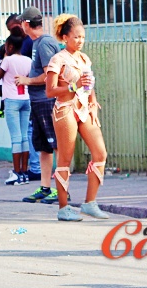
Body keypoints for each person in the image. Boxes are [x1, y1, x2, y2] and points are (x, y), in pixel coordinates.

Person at [45, 14, 110, 222]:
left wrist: (93, 102)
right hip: (65, 109)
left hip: (84, 109)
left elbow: (89, 84)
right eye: (76, 37)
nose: (80, 41)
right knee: (65, 159)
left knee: (100, 153)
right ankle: (63, 208)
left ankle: (90, 203)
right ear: (65, 37)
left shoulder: (84, 58)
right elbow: (50, 91)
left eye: (83, 37)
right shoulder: (58, 59)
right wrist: (74, 86)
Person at [18, 6, 62, 205]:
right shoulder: (37, 43)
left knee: (57, 145)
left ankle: (62, 189)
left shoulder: (44, 44)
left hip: (46, 100)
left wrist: (28, 81)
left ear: (26, 24)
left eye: (21, 23)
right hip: (38, 101)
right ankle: (45, 187)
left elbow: (49, 76)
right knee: (44, 147)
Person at [0, 34, 32, 185]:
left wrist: (4, 57)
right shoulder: (28, 60)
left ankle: (16, 173)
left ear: (9, 46)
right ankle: (24, 172)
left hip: (11, 100)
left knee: (16, 138)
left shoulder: (8, 60)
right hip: (26, 99)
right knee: (24, 136)